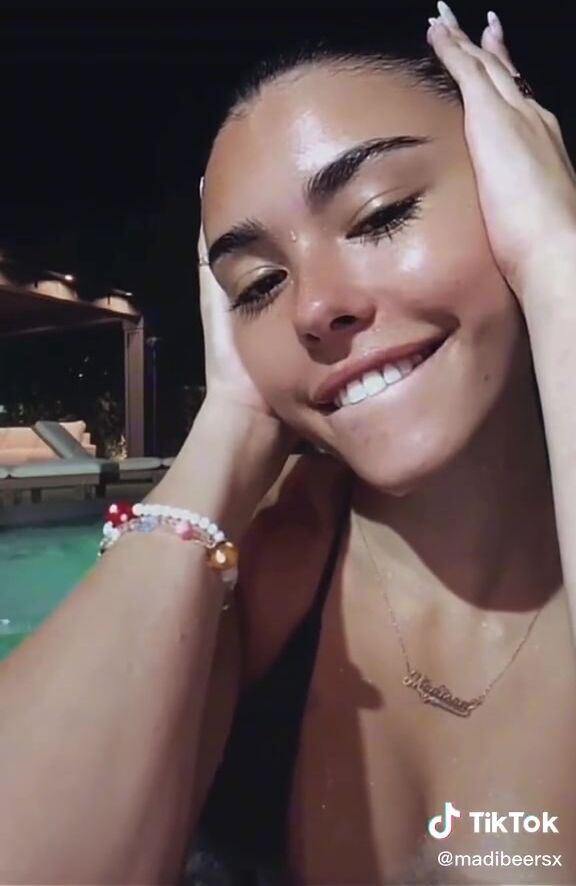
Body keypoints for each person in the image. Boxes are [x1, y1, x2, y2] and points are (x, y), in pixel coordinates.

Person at [1, 4, 576, 884]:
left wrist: (560, 268)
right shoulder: (266, 568)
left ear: (524, 185)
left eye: (380, 215)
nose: (313, 307)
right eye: (258, 285)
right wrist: (230, 422)